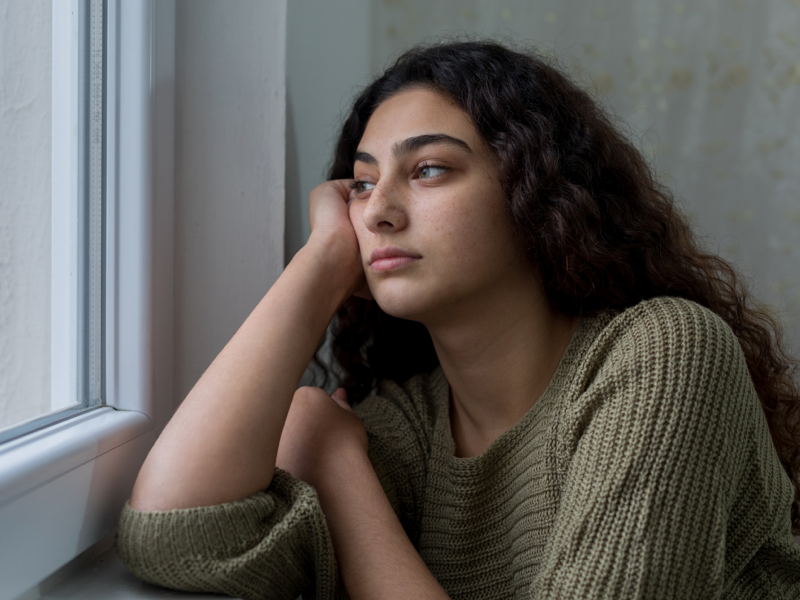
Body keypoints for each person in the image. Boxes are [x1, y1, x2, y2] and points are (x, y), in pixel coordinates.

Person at [116, 40, 800, 599]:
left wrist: (334, 462)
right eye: (360, 183)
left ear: (537, 191)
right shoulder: (413, 428)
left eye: (430, 170)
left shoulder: (664, 354)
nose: (377, 208)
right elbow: (174, 534)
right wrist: (322, 260)